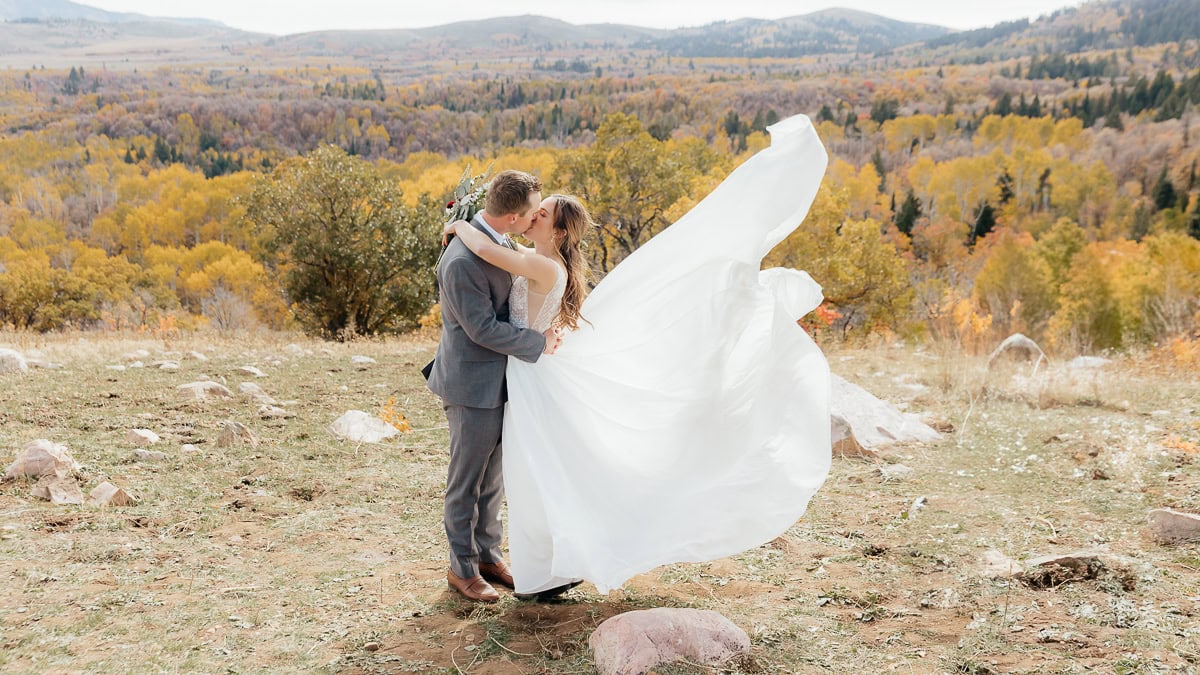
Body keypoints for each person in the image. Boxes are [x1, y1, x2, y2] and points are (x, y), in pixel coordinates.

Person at [438, 113, 833, 600]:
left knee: (524, 472)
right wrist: (468, 231)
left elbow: (490, 253)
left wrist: (460, 223)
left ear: (555, 232)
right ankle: (471, 565)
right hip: (505, 376)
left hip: (527, 373)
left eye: (543, 214)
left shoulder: (535, 261)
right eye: (535, 211)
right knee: (498, 474)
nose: (536, 216)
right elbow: (485, 304)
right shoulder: (522, 255)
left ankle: (517, 557)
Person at [424, 169, 563, 604]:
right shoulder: (462, 262)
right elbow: (481, 328)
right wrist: (537, 343)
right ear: (512, 217)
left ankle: (488, 555)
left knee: (492, 482)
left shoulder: (497, 238)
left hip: (504, 381)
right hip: (471, 385)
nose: (534, 219)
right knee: (466, 482)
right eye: (532, 213)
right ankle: (461, 568)